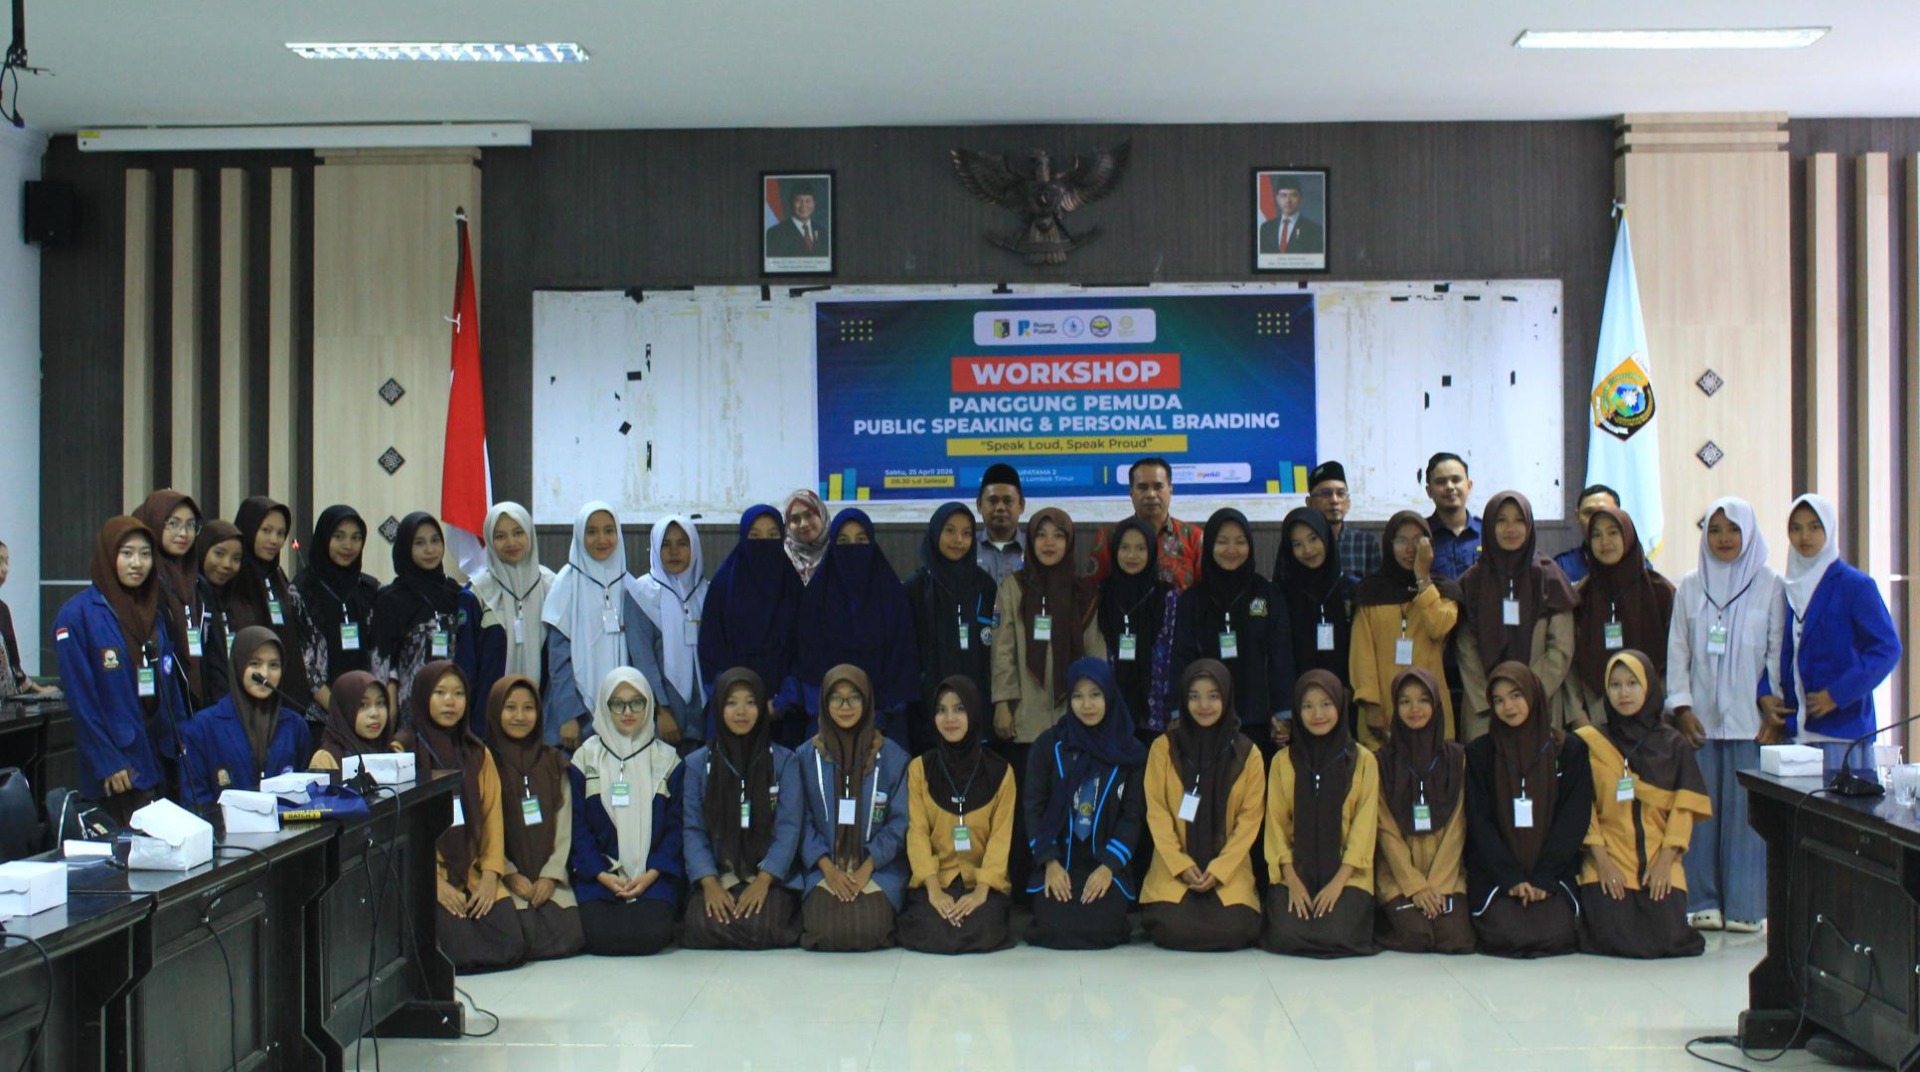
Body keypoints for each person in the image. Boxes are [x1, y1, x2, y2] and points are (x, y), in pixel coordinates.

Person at [1667, 498, 1784, 933]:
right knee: (1701, 815)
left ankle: (1746, 906)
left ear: (1749, 533)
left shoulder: (1771, 584)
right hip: (1699, 724)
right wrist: (1680, 707)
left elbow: (1776, 650)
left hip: (1751, 726)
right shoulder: (1691, 586)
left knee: (1747, 819)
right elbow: (1677, 650)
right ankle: (1702, 900)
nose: (1724, 539)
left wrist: (1773, 709)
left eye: (1732, 530)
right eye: (1715, 530)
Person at [54, 517, 192, 822]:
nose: (137, 563)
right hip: (118, 766)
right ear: (108, 555)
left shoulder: (152, 612)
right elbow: (82, 700)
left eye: (145, 554)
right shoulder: (77, 615)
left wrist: (183, 740)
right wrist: (107, 760)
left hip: (160, 756)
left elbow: (169, 686)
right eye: (127, 553)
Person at [1574, 650, 1710, 959]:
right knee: (1610, 932)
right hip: (1608, 855)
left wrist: (1665, 861)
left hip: (1659, 856)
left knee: (1666, 935)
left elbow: (1684, 808)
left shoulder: (1674, 744)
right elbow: (1583, 807)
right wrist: (1602, 860)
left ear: (1648, 686)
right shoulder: (1591, 742)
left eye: (1632, 683)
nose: (1624, 693)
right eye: (1615, 685)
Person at [397, 661, 526, 973]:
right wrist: (433, 882)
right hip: (430, 873)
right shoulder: (404, 751)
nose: (449, 701)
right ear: (422, 696)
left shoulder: (477, 753)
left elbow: (493, 819)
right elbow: (402, 828)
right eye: (440, 693)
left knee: (511, 944)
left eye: (457, 693)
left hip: (474, 869)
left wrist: (492, 876)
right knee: (454, 952)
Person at [1464, 662, 1594, 959]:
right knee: (1508, 934)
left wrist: (1543, 878)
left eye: (1515, 695)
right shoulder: (1480, 754)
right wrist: (1511, 878)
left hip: (1552, 875)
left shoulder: (1569, 751)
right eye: (1498, 700)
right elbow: (1479, 822)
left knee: (1554, 932)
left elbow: (1573, 819)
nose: (1508, 706)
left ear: (1533, 694)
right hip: (1499, 877)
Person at [1023, 658, 1148, 950]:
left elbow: (1133, 816)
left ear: (1109, 696)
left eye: (1095, 694)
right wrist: (1050, 863)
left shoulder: (1131, 751)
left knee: (1099, 927)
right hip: (1059, 859)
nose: (1087, 705)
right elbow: (1033, 807)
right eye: (1078, 696)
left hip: (1105, 862)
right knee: (1054, 927)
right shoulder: (1048, 746)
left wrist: (1108, 866)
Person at [1142, 659, 1267, 952]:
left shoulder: (1248, 754)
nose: (1204, 705)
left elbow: (1249, 822)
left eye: (1213, 696)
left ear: (1226, 696)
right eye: (1194, 696)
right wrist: (1181, 864)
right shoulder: (1163, 748)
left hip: (1228, 871)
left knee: (1235, 926)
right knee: (1171, 924)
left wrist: (1220, 870)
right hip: (1175, 870)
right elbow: (1157, 813)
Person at [1772, 493, 1903, 769]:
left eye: (1814, 527)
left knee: (1838, 811)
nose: (1804, 536)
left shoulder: (1855, 585)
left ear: (1829, 529)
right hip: (1795, 732)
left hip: (1842, 730)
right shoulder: (1787, 587)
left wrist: (1838, 694)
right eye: (1795, 528)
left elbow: (1887, 649)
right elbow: (1776, 648)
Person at [680, 667, 805, 950]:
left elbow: (789, 828)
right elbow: (693, 829)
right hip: (719, 872)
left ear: (762, 707)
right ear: (719, 707)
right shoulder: (698, 764)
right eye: (731, 702)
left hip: (768, 875)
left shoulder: (785, 762)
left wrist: (763, 881)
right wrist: (709, 883)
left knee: (764, 925)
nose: (741, 711)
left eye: (750, 702)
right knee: (700, 924)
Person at [568, 667, 686, 956]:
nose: (628, 711)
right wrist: (601, 874)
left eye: (637, 702)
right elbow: (576, 826)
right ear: (604, 706)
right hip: (600, 876)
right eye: (617, 703)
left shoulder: (667, 760)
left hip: (653, 876)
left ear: (649, 704)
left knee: (650, 935)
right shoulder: (584, 758)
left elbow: (677, 827)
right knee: (599, 935)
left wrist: (650, 874)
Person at [1261, 670, 1379, 957]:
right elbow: (1275, 827)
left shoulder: (1363, 761)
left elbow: (1364, 832)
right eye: (1307, 706)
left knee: (1337, 933)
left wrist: (1338, 884)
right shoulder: (1282, 762)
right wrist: (1292, 880)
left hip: (1347, 875)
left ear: (1340, 705)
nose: (1318, 714)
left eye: (1326, 704)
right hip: (1295, 873)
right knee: (1285, 933)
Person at [797, 665, 912, 951]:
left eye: (854, 698)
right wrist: (829, 870)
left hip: (878, 869)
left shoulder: (894, 757)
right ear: (824, 703)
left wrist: (865, 869)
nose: (845, 707)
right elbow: (799, 821)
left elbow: (900, 823)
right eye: (836, 698)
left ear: (868, 702)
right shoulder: (804, 757)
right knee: (826, 928)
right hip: (824, 868)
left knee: (867, 927)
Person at [899, 676, 1016, 954]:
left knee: (983, 923)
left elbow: (1001, 839)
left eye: (959, 709)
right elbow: (916, 833)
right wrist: (934, 891)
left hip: (983, 882)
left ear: (974, 713)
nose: (949, 718)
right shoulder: (920, 769)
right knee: (931, 925)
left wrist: (980, 891)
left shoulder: (1000, 772)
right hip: (936, 880)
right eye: (941, 710)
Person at [1455, 491, 1578, 740]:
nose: (1511, 528)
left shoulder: (1549, 577)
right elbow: (1465, 645)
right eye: (1501, 520)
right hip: (1484, 709)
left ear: (1530, 524)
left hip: (1539, 702)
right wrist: (1495, 697)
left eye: (1519, 520)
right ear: (1488, 525)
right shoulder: (1473, 580)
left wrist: (1525, 693)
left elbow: (1561, 647)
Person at [1172, 508, 1296, 752]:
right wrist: (1179, 711)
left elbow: (1281, 656)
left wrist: (1283, 714)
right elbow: (1181, 658)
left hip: (1259, 720)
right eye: (1222, 542)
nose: (1231, 550)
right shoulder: (1192, 599)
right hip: (1205, 717)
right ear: (1209, 546)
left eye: (1240, 542)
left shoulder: (1266, 594)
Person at [794, 509, 919, 745]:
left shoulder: (892, 597)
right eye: (843, 541)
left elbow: (902, 661)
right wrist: (830, 712)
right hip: (826, 724)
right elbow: (808, 662)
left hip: (886, 726)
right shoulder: (816, 598)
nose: (853, 548)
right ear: (832, 546)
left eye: (861, 540)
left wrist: (880, 716)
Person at [485, 675, 586, 961]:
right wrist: (508, 871)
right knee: (516, 934)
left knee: (569, 934)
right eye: (510, 708)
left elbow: (565, 823)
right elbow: (483, 827)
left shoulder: (553, 760)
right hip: (504, 876)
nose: (520, 716)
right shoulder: (484, 760)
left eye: (528, 708)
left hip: (548, 877)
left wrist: (550, 876)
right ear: (495, 711)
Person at [1373, 668, 1473, 954]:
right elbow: (1385, 829)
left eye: (1423, 700)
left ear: (1436, 704)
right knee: (1416, 934)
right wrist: (1415, 885)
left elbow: (1458, 827)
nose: (1414, 709)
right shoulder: (1382, 762)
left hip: (1448, 875)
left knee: (1454, 938)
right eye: (1404, 701)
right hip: (1398, 877)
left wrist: (1437, 884)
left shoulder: (1456, 759)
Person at [1349, 512, 1463, 748]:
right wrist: (1371, 705)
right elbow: (1362, 655)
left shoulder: (1443, 591)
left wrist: (1422, 579)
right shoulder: (1370, 591)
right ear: (1389, 545)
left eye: (1419, 541)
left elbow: (1438, 627)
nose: (1410, 549)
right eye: (1401, 541)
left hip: (1430, 707)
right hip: (1382, 709)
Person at [699, 506, 805, 746]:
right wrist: (741, 703)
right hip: (733, 716)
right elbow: (711, 654)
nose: (763, 543)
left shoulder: (793, 588)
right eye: (755, 536)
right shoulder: (723, 588)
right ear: (743, 538)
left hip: (785, 718)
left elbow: (806, 652)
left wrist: (781, 703)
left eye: (772, 536)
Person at [370, 513, 487, 728]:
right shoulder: (391, 598)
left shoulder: (457, 594)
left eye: (435, 540)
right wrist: (387, 706)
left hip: (454, 704)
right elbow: (383, 660)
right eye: (419, 543)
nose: (430, 550)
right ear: (406, 548)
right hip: (409, 706)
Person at [1563, 506, 1675, 731]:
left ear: (1628, 535)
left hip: (1655, 712)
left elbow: (1677, 656)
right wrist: (1579, 717)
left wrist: (1663, 708)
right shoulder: (1581, 596)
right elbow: (1571, 664)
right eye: (1596, 535)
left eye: (1613, 532)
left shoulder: (1660, 591)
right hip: (1596, 713)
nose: (1604, 542)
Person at [903, 503, 998, 754]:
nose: (959, 540)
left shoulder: (984, 585)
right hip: (928, 708)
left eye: (967, 533)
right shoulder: (916, 587)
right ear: (935, 533)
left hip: (976, 705)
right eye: (950, 531)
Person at [177, 626, 313, 801]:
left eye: (274, 665)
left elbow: (304, 788)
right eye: (254, 663)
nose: (265, 674)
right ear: (238, 665)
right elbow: (195, 801)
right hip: (224, 826)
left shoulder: (295, 725)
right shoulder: (202, 728)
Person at [543, 502, 633, 750]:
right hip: (577, 717)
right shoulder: (566, 584)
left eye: (609, 530)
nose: (601, 539)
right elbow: (558, 661)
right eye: (591, 531)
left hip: (622, 711)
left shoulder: (629, 585)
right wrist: (568, 715)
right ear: (579, 534)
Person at [628, 514, 709, 750]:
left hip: (703, 715)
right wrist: (660, 710)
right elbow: (643, 658)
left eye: (682, 544)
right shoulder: (641, 594)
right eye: (665, 544)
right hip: (663, 716)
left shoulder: (707, 593)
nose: (674, 551)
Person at [1097, 517, 1178, 739]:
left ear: (1152, 551)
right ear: (1114, 551)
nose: (1132, 555)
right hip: (1107, 714)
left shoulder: (1168, 596)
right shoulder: (1101, 595)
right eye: (1125, 548)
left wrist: (1173, 709)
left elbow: (1173, 656)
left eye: (1141, 548)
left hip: (1157, 716)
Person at [229, 496, 313, 708]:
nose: (275, 540)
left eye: (281, 533)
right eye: (266, 531)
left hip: (284, 691)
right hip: (247, 693)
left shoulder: (277, 576)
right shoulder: (234, 577)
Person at [293, 505, 379, 710]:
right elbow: (303, 662)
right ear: (324, 537)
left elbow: (380, 653)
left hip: (368, 709)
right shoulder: (302, 590)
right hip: (318, 712)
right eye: (339, 537)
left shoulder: (370, 589)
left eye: (356, 538)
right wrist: (338, 711)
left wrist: (371, 706)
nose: (348, 545)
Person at [468, 502, 555, 690]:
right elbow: (467, 662)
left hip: (544, 711)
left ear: (529, 533)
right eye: (500, 536)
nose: (511, 543)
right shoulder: (477, 591)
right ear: (490, 541)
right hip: (487, 710)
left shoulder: (551, 587)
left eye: (518, 532)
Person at [131, 489, 207, 705]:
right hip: (154, 703)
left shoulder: (196, 582)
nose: (183, 533)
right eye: (172, 523)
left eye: (191, 525)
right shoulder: (142, 581)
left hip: (194, 706)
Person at [1272, 506, 1358, 691]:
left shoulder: (1351, 589)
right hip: (1300, 697)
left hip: (1347, 696)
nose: (1307, 550)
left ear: (1326, 537)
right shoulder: (1281, 594)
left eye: (1313, 539)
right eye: (1297, 544)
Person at [1088, 458, 1205, 590]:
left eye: (1158, 486)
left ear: (1171, 490)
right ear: (1131, 492)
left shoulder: (1194, 538)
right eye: (1142, 487)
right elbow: (1094, 592)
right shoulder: (1108, 537)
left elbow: (1204, 594)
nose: (1151, 494)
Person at [190, 520, 245, 705]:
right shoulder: (192, 599)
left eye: (236, 558)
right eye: (219, 554)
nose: (227, 564)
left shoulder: (235, 601)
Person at [1304, 461, 1381, 578]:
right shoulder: (1300, 544)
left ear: (1348, 503)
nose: (1334, 500)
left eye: (1341, 493)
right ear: (1310, 503)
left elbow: (1377, 591)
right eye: (1326, 493)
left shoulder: (1365, 543)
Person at [308, 669, 396, 770]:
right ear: (344, 710)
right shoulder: (326, 759)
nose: (375, 714)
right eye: (363, 705)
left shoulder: (392, 751)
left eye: (380, 703)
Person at [0, 539, 53, 697]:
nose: (5, 569)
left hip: (6, 707)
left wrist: (41, 691)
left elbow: (14, 667)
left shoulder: (2, 609)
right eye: (0, 561)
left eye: (7, 562)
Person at [1422, 453, 1481, 582]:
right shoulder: (1421, 535)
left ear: (1469, 486)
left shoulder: (1487, 533)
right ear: (1429, 491)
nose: (1449, 487)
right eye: (1441, 482)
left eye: (1456, 480)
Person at [1551, 484, 1620, 586]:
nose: (1596, 520)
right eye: (1588, 513)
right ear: (1577, 516)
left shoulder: (1637, 565)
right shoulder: (1562, 566)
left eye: (1604, 512)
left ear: (1620, 516)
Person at [974, 463, 1027, 584]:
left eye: (1008, 501)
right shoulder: (966, 548)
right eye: (993, 501)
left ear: (1022, 505)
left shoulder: (1034, 549)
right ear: (979, 505)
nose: (1000, 507)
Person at [1257, 175, 1325, 254]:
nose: (1288, 200)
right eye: (1283, 195)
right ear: (1277, 199)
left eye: (1293, 195)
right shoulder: (1266, 228)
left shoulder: (1315, 231)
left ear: (1300, 199)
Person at [780, 489, 831, 585]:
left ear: (822, 514)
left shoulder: (838, 550)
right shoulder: (782, 556)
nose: (803, 524)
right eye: (795, 519)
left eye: (809, 515)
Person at [765, 183, 829, 259]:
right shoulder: (775, 233)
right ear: (791, 203)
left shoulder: (823, 232)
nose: (803, 206)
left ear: (814, 204)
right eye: (798, 201)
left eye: (808, 201)